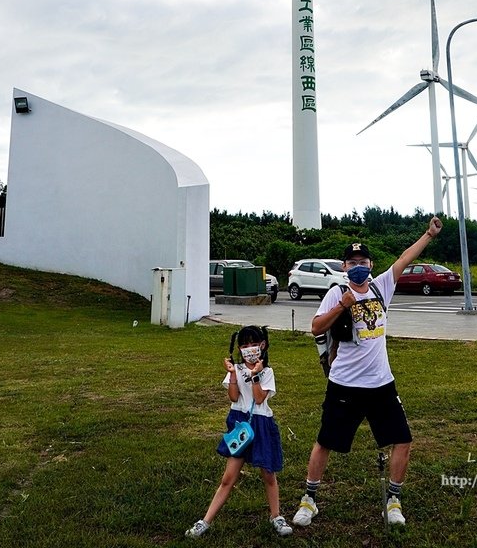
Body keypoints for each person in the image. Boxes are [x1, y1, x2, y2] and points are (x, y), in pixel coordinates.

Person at [293, 217, 443, 528]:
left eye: (363, 260)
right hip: (344, 383)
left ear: (371, 264)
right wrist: (341, 306)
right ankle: (309, 499)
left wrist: (428, 234)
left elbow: (404, 258)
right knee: (325, 441)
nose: (358, 265)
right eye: (352, 261)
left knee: (402, 440)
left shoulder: (381, 285)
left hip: (380, 383)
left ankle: (393, 500)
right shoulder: (337, 292)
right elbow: (316, 327)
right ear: (344, 267)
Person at [186, 325, 292, 538]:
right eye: (244, 345)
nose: (249, 349)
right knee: (228, 477)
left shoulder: (267, 372)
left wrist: (255, 376)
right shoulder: (236, 369)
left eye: (254, 344)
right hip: (240, 424)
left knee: (268, 474)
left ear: (262, 345)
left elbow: (260, 398)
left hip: (262, 425)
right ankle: (205, 521)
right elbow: (234, 397)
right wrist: (232, 373)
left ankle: (276, 516)